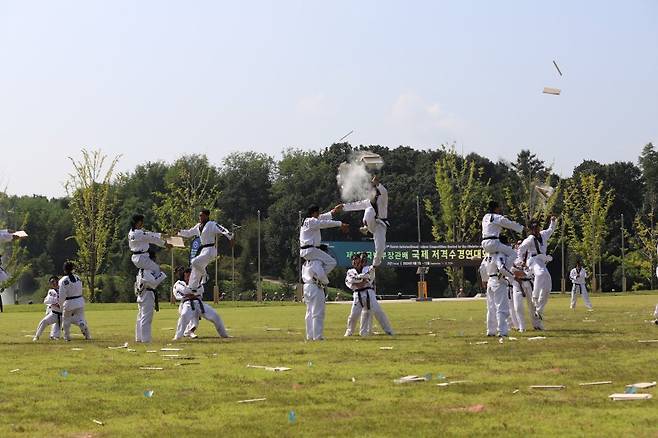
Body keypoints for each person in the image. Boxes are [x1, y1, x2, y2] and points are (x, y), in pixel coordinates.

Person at [178, 209, 233, 289]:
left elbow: (222, 229)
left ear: (207, 216)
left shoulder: (212, 224)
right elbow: (189, 233)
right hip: (203, 250)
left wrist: (230, 237)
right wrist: (179, 232)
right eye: (199, 215)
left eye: (202, 215)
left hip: (210, 250)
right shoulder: (198, 226)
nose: (200, 217)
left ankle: (205, 275)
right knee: (195, 270)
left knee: (194, 262)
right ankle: (193, 289)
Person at [517, 216, 558, 323]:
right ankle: (535, 298)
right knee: (540, 274)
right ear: (531, 229)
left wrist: (552, 221)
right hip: (533, 260)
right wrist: (521, 260)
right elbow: (520, 249)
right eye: (533, 228)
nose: (536, 229)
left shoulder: (544, 234)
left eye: (537, 227)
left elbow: (551, 230)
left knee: (548, 287)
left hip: (542, 261)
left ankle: (539, 310)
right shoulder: (530, 239)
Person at [342, 176, 389, 267]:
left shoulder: (383, 198)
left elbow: (384, 192)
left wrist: (377, 184)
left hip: (380, 225)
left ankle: (374, 265)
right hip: (370, 224)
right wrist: (343, 206)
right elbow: (355, 205)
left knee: (380, 248)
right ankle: (365, 227)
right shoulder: (368, 202)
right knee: (369, 210)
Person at [172, 267, 229, 340]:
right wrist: (189, 294)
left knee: (215, 315)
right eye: (187, 276)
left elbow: (200, 289)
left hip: (199, 303)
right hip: (187, 303)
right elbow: (180, 293)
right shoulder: (179, 284)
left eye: (191, 276)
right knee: (184, 316)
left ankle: (224, 335)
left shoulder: (197, 283)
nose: (189, 278)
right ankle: (178, 336)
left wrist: (191, 293)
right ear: (184, 276)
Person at [344, 253, 393, 337]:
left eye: (356, 259)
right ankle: (349, 331)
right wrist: (361, 279)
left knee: (376, 311)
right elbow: (353, 281)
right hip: (357, 294)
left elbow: (368, 278)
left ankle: (388, 330)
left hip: (368, 292)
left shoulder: (368, 268)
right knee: (353, 315)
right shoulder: (350, 271)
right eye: (353, 260)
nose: (355, 262)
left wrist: (359, 280)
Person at [299, 204, 349, 285]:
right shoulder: (310, 221)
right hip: (311, 250)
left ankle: (313, 277)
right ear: (313, 213)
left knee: (318, 264)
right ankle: (316, 277)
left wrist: (334, 211)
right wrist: (340, 224)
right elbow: (324, 223)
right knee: (332, 262)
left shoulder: (309, 221)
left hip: (308, 251)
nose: (319, 214)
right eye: (318, 212)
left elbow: (324, 217)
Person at [135, 251, 167, 343]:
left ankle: (139, 337)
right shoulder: (147, 270)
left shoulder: (141, 270)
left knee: (141, 316)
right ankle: (145, 339)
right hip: (147, 294)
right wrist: (162, 275)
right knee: (146, 318)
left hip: (142, 294)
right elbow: (153, 283)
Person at [484, 248, 517, 337]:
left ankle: (491, 330)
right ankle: (502, 331)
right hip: (498, 281)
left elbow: (482, 269)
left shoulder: (488, 255)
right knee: (501, 308)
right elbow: (502, 268)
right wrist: (513, 276)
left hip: (490, 281)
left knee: (491, 308)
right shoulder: (499, 255)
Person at [511, 242, 542, 331]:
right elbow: (511, 270)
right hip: (517, 283)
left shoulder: (531, 256)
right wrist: (522, 272)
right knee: (518, 306)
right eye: (518, 244)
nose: (519, 246)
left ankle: (537, 325)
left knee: (533, 305)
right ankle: (522, 327)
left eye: (522, 244)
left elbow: (533, 270)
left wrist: (524, 273)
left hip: (529, 282)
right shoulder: (512, 255)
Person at [57, 261, 91, 341]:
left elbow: (62, 294)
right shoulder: (78, 278)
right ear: (73, 269)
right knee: (81, 318)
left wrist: (60, 304)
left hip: (69, 302)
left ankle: (67, 337)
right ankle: (86, 333)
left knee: (66, 320)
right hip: (80, 301)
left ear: (64, 270)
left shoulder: (63, 281)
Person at [302, 259, 326, 341]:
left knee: (309, 312)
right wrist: (325, 281)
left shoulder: (306, 263)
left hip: (306, 286)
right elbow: (321, 275)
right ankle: (317, 336)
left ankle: (310, 335)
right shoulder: (317, 262)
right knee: (317, 312)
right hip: (315, 286)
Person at [33, 276, 62, 341]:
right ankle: (37, 336)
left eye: (56, 281)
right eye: (52, 282)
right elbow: (46, 301)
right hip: (54, 313)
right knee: (44, 321)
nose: (54, 283)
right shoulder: (51, 291)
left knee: (56, 335)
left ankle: (87, 335)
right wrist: (54, 303)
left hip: (64, 315)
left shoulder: (64, 290)